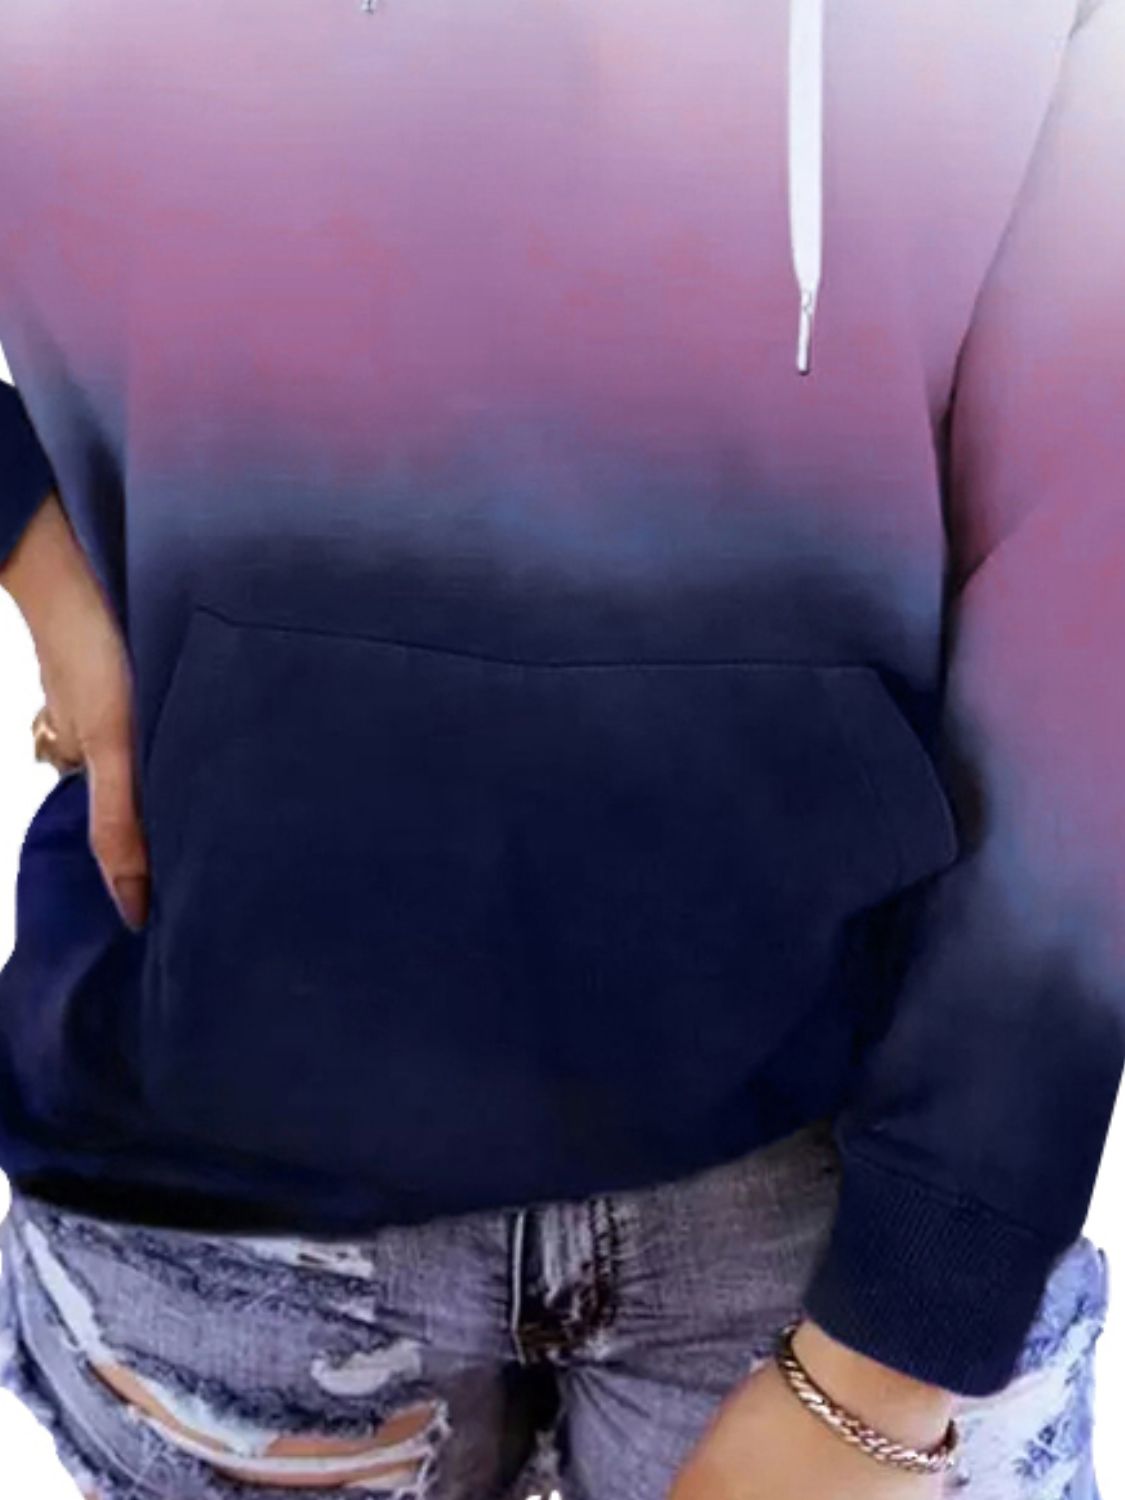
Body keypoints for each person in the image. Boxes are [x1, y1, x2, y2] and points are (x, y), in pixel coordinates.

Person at [0, 0, 1121, 1495]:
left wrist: (903, 1329)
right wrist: (33, 547)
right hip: (217, 1145)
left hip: (831, 1170)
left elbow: (1090, 560)